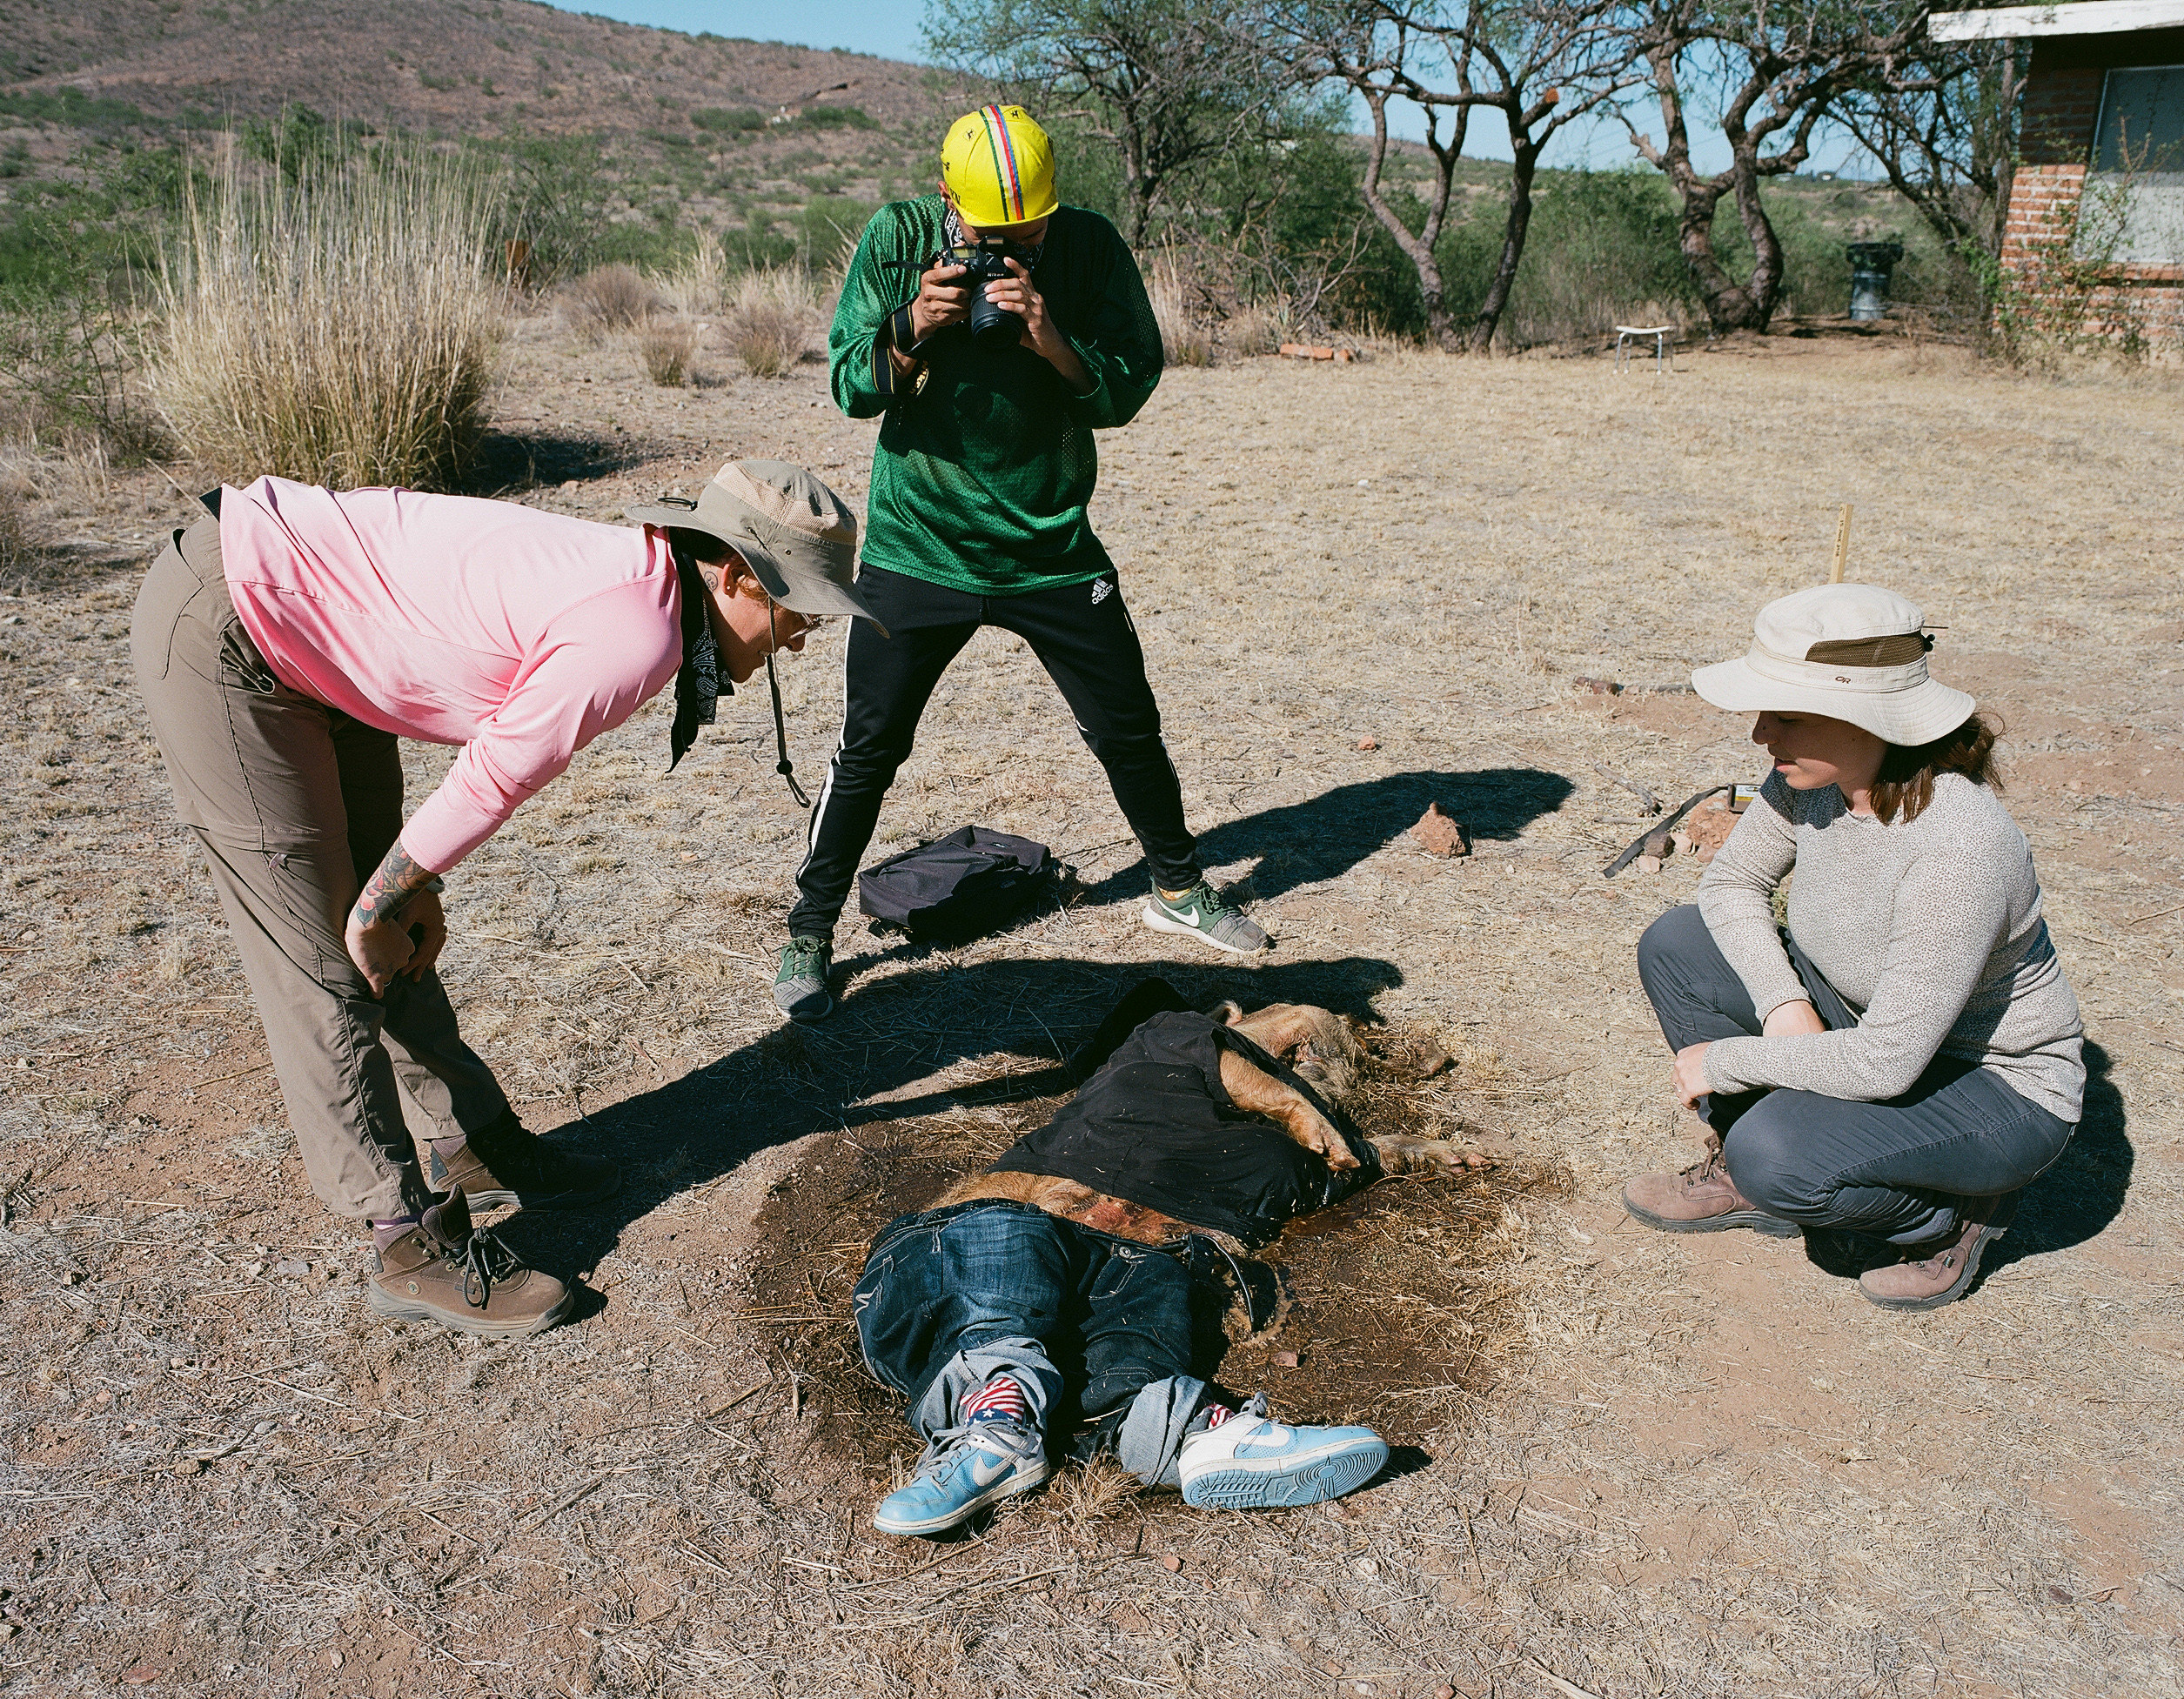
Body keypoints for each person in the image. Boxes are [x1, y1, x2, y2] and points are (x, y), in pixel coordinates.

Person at [131, 459, 879, 1337]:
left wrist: (409, 887)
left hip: (313, 630)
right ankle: (407, 1240)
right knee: (327, 952)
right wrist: (387, 897)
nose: (797, 639)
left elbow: (470, 780)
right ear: (737, 575)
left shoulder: (650, 587)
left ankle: (472, 1140)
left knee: (383, 912)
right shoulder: (632, 632)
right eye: (799, 611)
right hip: (237, 623)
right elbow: (492, 779)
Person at [775, 103, 1267, 1024]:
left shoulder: (1086, 249)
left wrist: (1050, 337)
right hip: (918, 547)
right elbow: (848, 386)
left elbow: (1125, 388)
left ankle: (1176, 887)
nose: (1014, 251)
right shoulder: (896, 238)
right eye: (994, 237)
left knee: (1127, 725)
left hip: (1048, 546)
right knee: (868, 747)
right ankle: (808, 930)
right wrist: (909, 326)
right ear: (945, 203)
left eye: (1029, 233)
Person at [853, 985, 1461, 1535]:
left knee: (1151, 1307)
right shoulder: (1159, 1045)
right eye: (1296, 1041)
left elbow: (1359, 1161)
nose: (1303, 1058)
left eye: (1318, 1059)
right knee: (1002, 1255)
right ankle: (998, 1410)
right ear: (1236, 1020)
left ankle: (1178, 1434)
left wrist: (1389, 1148)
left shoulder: (1307, 1158)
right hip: (1011, 1221)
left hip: (1144, 1261)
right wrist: (1295, 1105)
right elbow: (1214, 1050)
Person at [1623, 585, 2082, 1312]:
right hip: (1867, 1021)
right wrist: (1783, 1005)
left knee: (1777, 1154)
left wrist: (1727, 1060)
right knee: (1679, 943)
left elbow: (1889, 1061)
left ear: (1868, 722)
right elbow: (1731, 885)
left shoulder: (1958, 851)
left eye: (1788, 717)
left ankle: (1946, 1217)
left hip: (1990, 1083)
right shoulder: (1814, 782)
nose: (1760, 737)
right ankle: (1754, 1178)